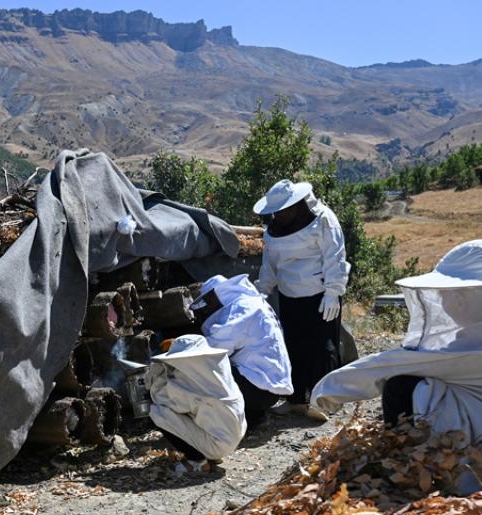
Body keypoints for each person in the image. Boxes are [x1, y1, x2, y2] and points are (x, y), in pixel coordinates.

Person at [310, 239, 482, 493]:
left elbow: (391, 366)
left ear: (470, 295)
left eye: (448, 293)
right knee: (428, 386)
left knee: (403, 386)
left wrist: (325, 392)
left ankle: (406, 475)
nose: (445, 301)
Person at [253, 179, 350, 421]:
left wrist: (333, 292)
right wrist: (262, 292)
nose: (279, 215)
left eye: (283, 210)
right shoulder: (272, 230)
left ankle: (324, 401)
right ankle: (296, 400)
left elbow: (335, 256)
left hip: (320, 294)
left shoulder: (324, 219)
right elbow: (270, 265)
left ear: (297, 205)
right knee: (294, 346)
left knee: (323, 347)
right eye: (276, 211)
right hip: (289, 295)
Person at [190, 274, 293, 425]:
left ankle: (234, 420)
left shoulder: (242, 310)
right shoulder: (251, 303)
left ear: (219, 293)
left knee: (205, 367)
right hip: (268, 387)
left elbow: (214, 349)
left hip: (259, 389)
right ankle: (253, 416)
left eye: (209, 300)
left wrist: (185, 346)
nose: (208, 305)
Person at [146, 334, 248, 475]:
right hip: (234, 436)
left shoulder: (190, 384)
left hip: (218, 443)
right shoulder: (216, 373)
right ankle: (210, 454)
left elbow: (161, 398)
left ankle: (197, 461)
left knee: (157, 412)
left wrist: (155, 375)